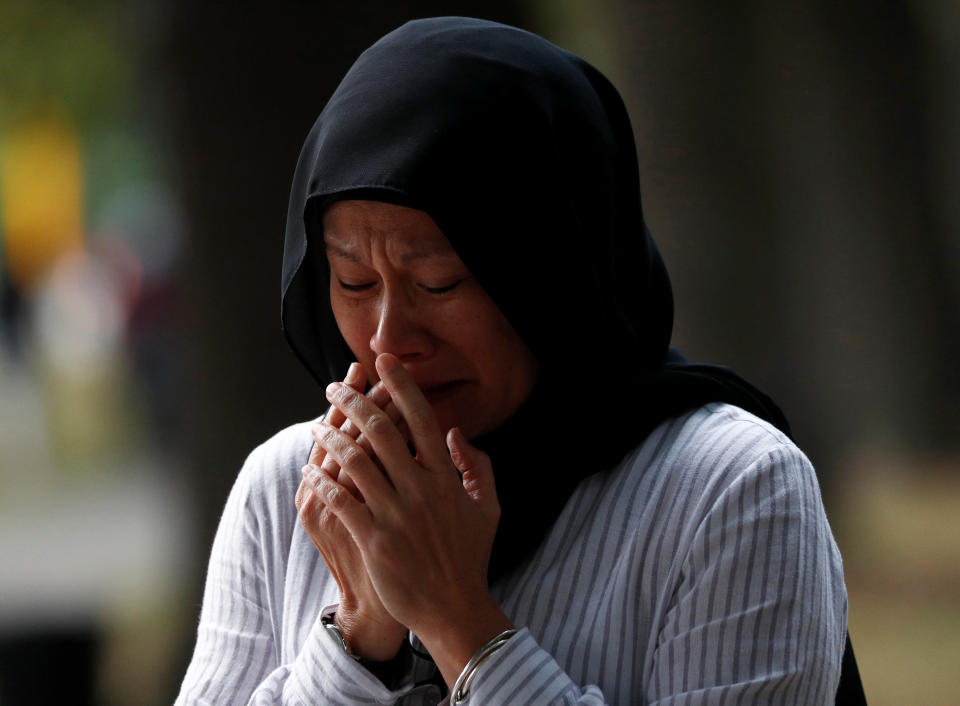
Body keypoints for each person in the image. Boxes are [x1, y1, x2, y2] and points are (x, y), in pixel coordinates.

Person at [176, 17, 859, 705]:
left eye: (439, 283)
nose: (388, 340)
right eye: (354, 282)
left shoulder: (727, 490)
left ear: (553, 275)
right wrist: (357, 635)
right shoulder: (287, 494)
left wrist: (454, 618)